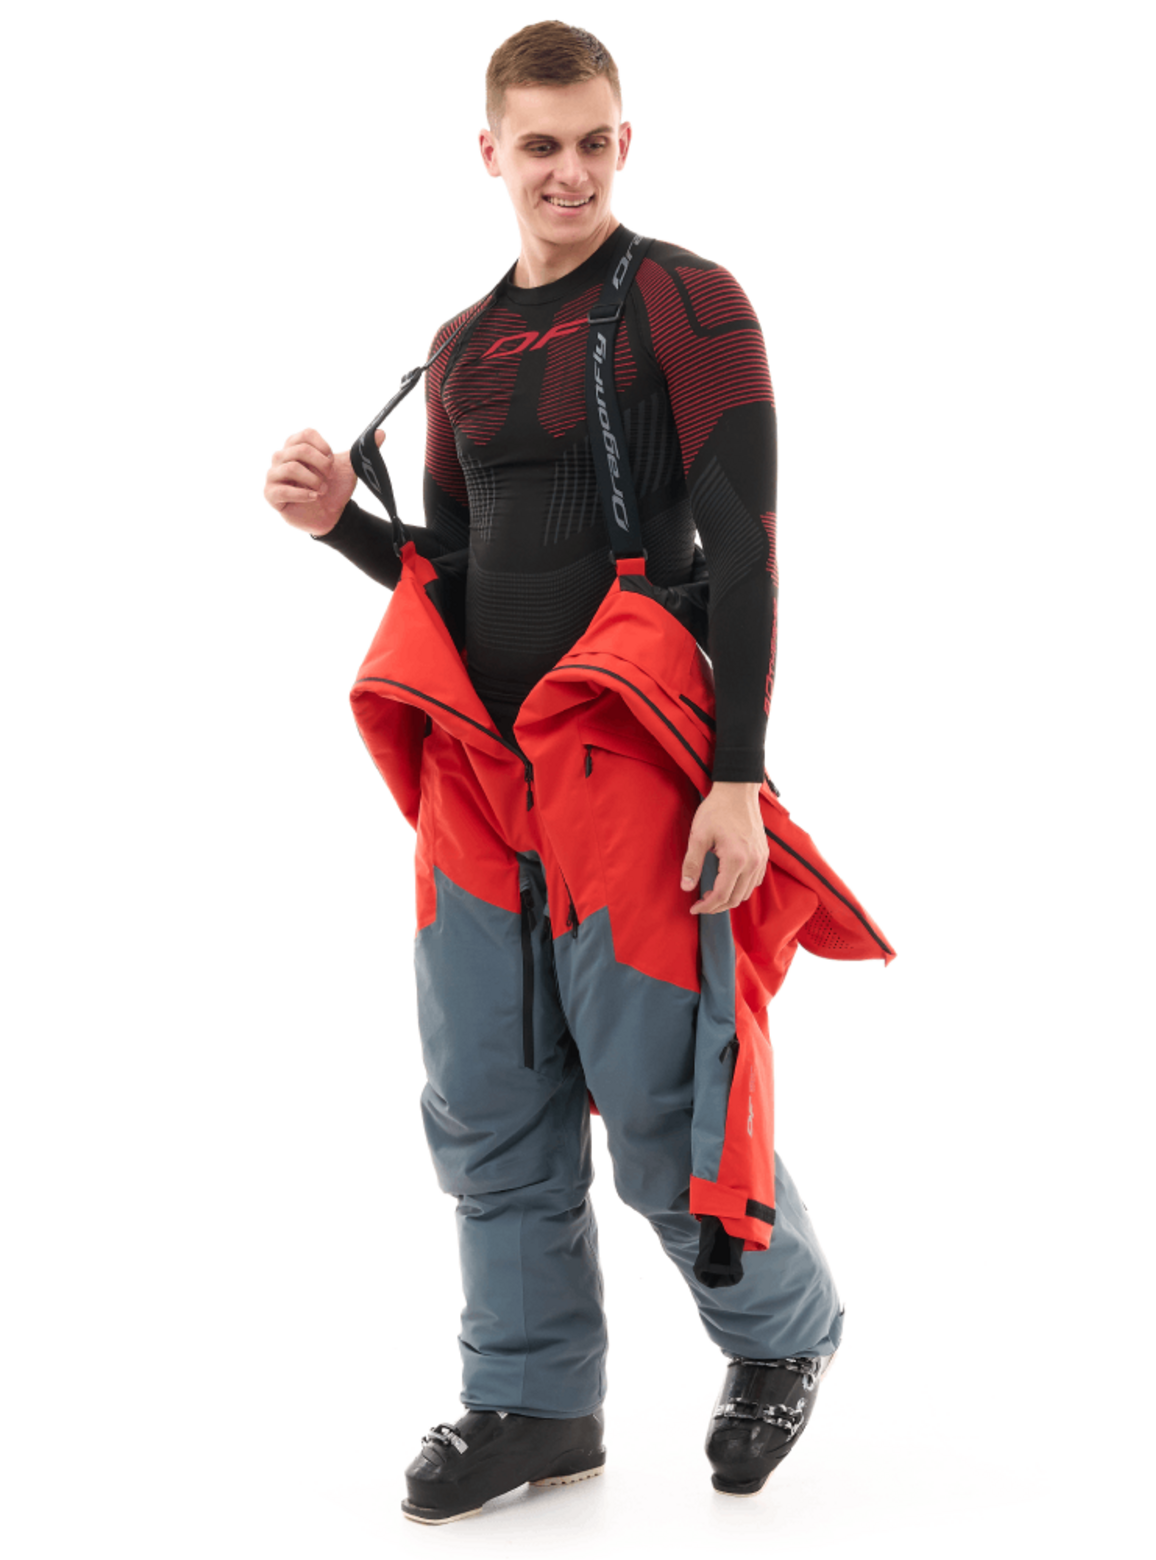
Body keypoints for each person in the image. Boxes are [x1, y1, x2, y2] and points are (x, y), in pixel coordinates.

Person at [263, 20, 891, 1525]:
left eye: (593, 142)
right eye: (539, 145)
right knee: (488, 1099)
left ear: (625, 143)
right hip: (482, 774)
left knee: (662, 1099)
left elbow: (745, 555)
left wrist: (735, 779)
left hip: (629, 763)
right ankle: (534, 1398)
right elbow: (466, 571)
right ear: (490, 152)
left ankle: (781, 1332)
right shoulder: (461, 348)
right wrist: (344, 526)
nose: (568, 171)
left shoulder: (686, 301)